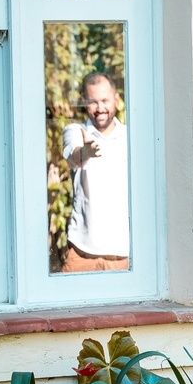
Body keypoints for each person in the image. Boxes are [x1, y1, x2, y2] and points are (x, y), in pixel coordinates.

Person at [59, 71, 130, 272]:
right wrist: (86, 152)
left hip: (121, 254)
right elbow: (74, 156)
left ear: (116, 99)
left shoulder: (130, 136)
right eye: (93, 102)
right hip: (81, 251)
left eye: (105, 100)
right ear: (84, 102)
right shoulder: (75, 131)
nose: (100, 108)